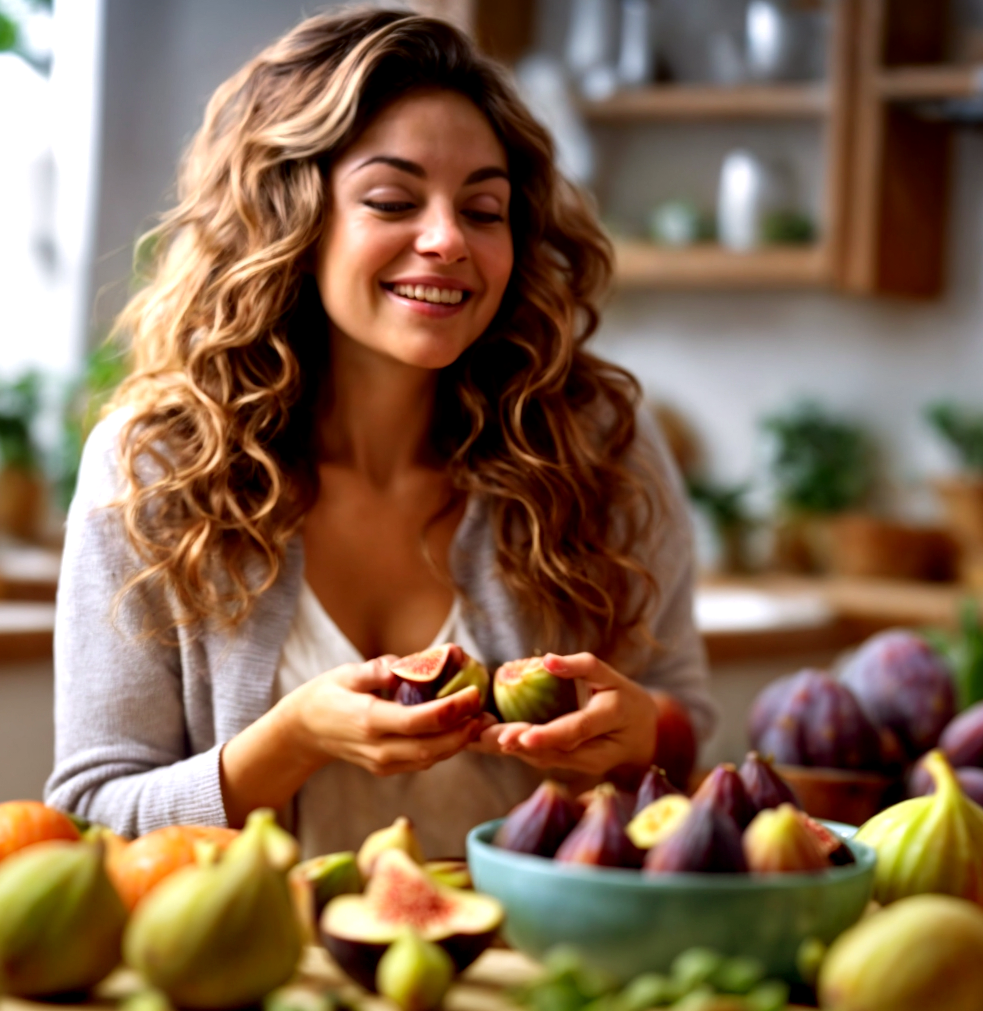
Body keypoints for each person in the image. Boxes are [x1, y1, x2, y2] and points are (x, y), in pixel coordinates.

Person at [45, 9, 715, 858]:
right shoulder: (156, 465)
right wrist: (290, 740)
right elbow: (89, 811)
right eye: (393, 200)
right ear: (292, 218)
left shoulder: (600, 443)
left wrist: (643, 736)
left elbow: (687, 727)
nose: (446, 240)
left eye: (484, 210)